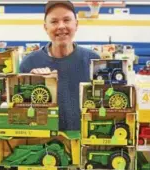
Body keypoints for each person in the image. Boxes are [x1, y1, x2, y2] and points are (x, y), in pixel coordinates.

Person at [19, 0, 100, 131]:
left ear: (76, 24)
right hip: (43, 143)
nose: (61, 26)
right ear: (45, 27)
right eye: (54, 21)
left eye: (67, 20)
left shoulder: (93, 61)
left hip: (86, 141)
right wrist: (33, 81)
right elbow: (19, 112)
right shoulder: (29, 64)